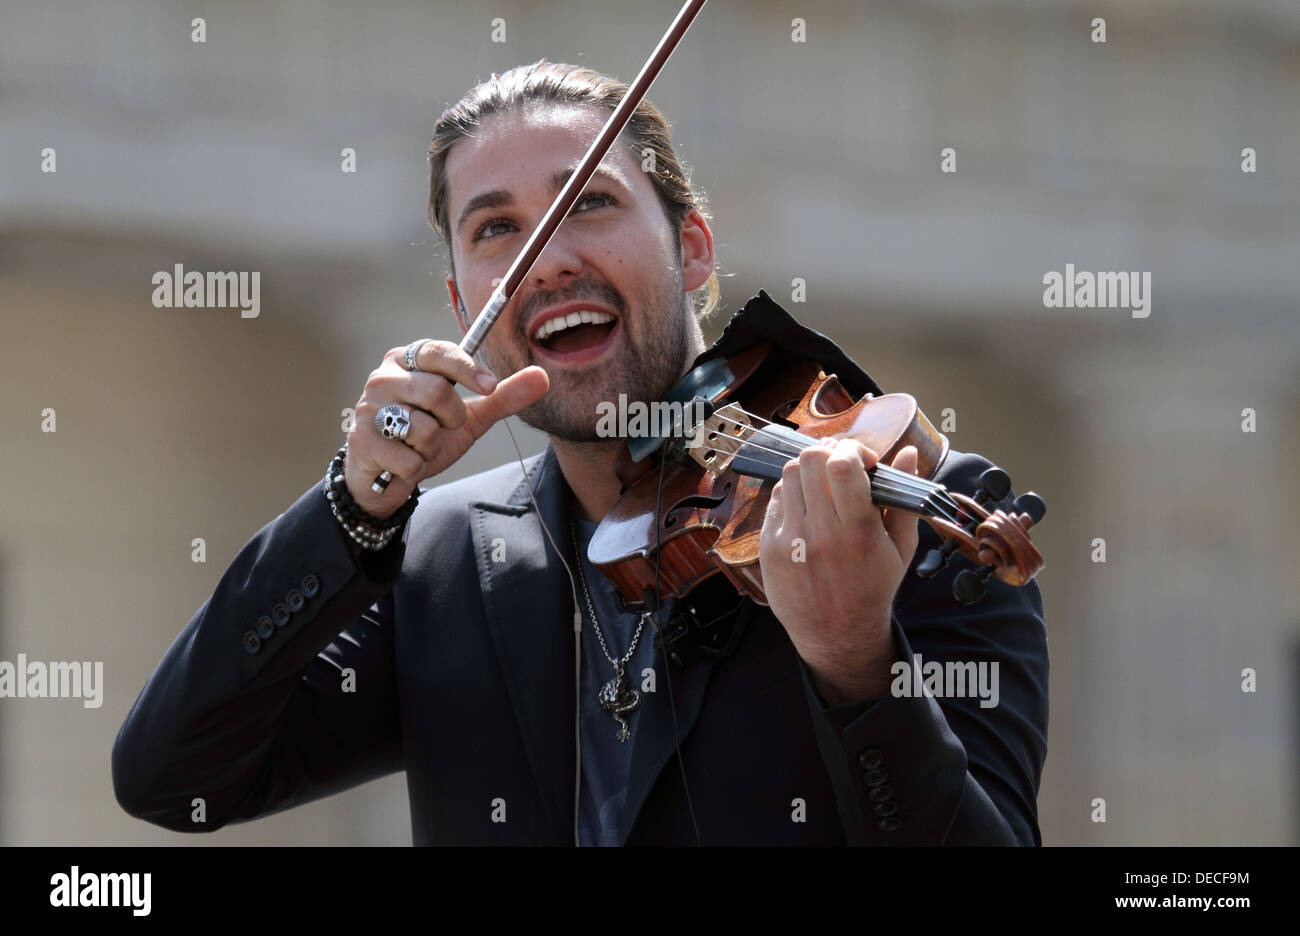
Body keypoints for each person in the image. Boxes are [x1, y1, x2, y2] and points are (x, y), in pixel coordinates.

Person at [112, 60, 1049, 846]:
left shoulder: (907, 508)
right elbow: (172, 777)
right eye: (496, 230)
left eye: (589, 203)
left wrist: (856, 666)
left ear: (691, 251)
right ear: (464, 304)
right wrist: (352, 509)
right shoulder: (440, 554)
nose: (547, 258)